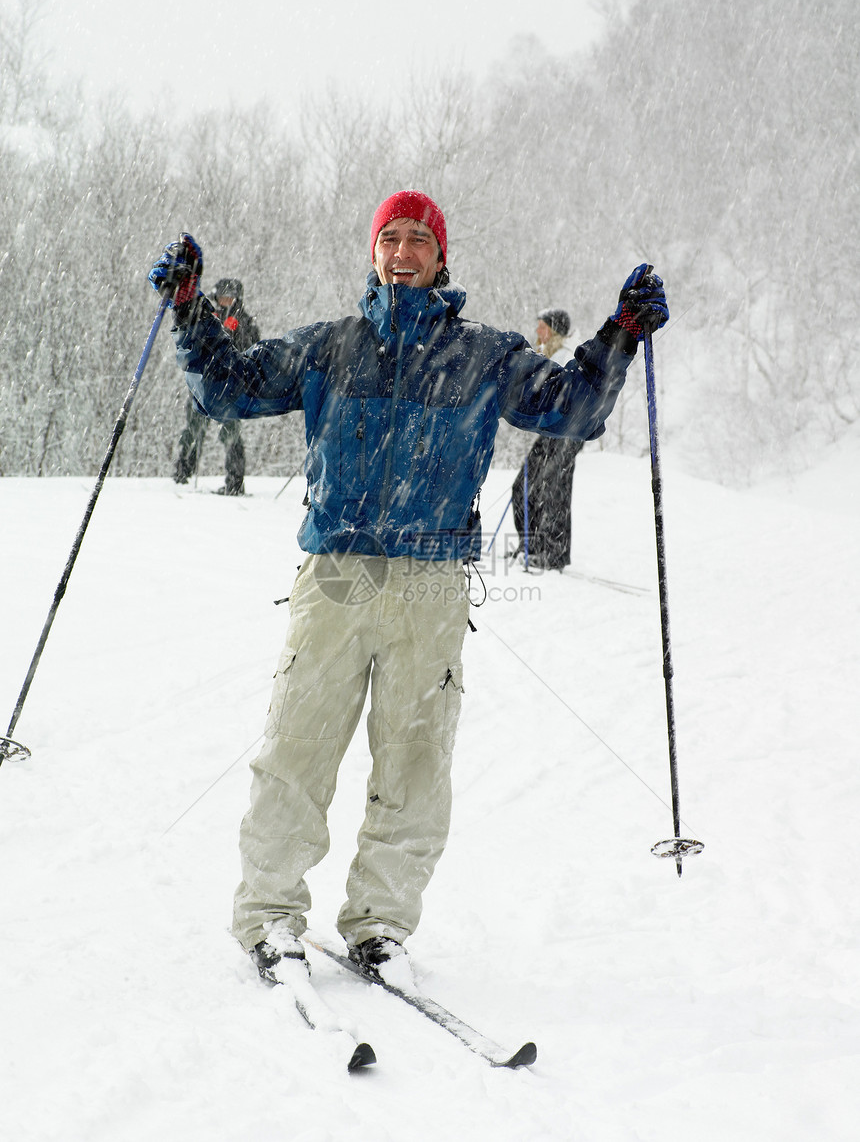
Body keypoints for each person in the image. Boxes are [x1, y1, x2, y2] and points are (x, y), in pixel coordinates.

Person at [148, 191, 669, 986]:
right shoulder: (332, 347)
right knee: (297, 750)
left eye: (417, 239)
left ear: (440, 256)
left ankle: (380, 926)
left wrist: (621, 335)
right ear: (373, 251)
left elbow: (572, 409)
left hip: (432, 587)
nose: (402, 250)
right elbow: (227, 388)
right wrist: (188, 309)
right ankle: (270, 916)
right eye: (389, 237)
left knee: (416, 765)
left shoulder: (484, 355)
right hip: (337, 579)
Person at [511, 308, 584, 570]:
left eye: (542, 326)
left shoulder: (565, 357)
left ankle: (553, 553)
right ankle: (530, 545)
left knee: (553, 490)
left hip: (568, 432)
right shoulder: (548, 355)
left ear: (553, 330)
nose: (537, 331)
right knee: (523, 486)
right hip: (551, 431)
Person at [173, 277, 260, 495]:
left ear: (237, 299)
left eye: (230, 297)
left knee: (231, 435)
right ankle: (182, 475)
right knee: (193, 430)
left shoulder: (245, 322)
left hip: (229, 387)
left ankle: (235, 483)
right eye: (223, 296)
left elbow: (251, 351)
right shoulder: (206, 317)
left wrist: (235, 335)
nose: (226, 300)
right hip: (202, 384)